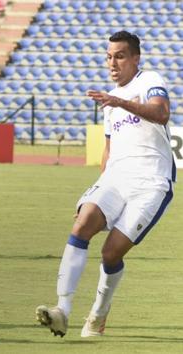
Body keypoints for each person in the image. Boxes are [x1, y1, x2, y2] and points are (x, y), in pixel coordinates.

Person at [35, 31, 174, 338]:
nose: (113, 63)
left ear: (135, 58)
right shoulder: (111, 103)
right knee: (83, 222)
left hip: (152, 180)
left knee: (111, 254)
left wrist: (119, 101)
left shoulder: (148, 79)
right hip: (116, 176)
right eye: (109, 56)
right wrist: (95, 191)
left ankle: (97, 316)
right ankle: (62, 311)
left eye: (120, 56)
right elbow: (109, 150)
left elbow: (161, 113)